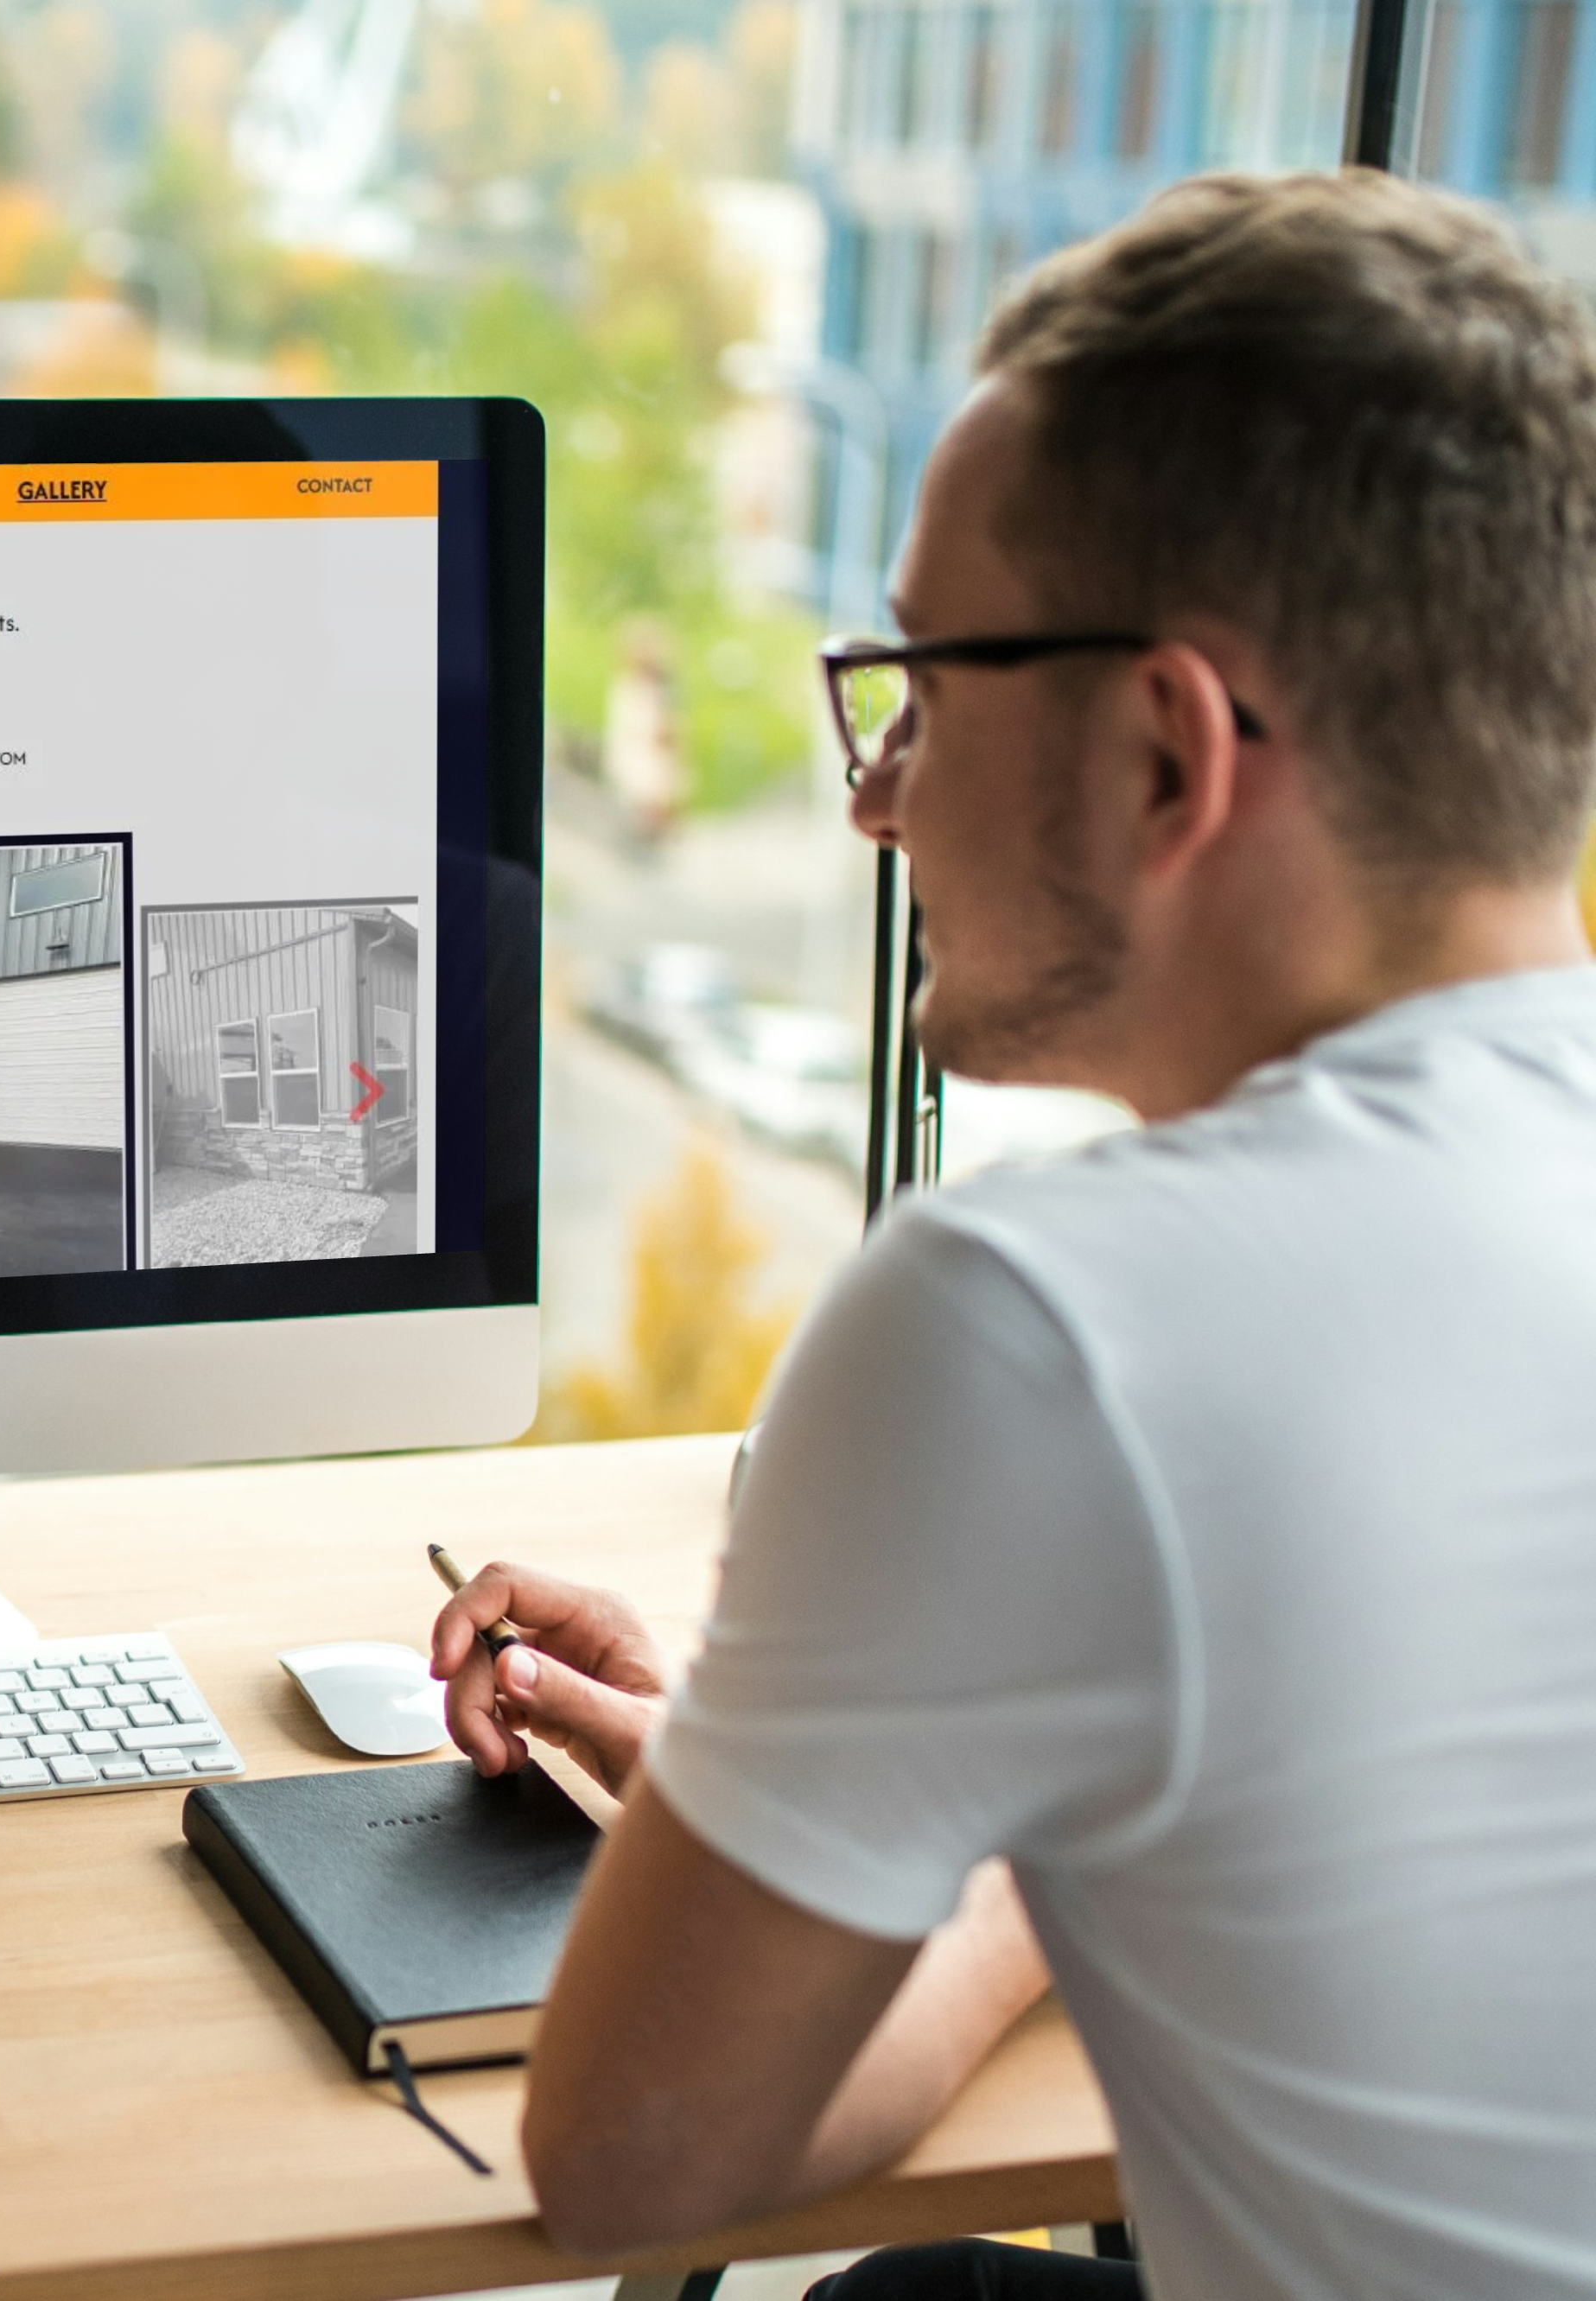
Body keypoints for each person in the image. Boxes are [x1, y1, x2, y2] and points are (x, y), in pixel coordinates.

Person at [429, 171, 1596, 2298]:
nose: (872, 794)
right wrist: (883, 1748)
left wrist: (969, 1809)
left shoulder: (1037, 1319)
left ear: (1164, 748)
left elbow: (627, 2160)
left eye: (923, 687)